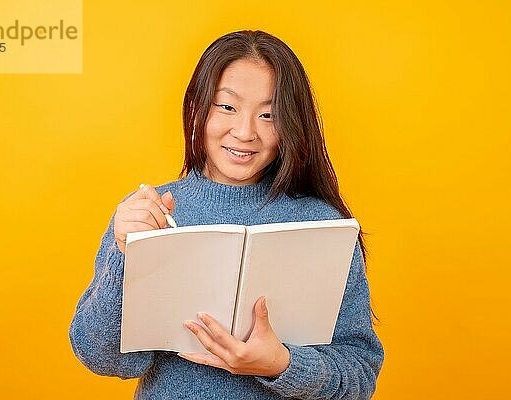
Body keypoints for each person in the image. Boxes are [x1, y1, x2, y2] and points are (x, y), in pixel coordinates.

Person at [69, 30, 384, 399]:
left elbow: (359, 377)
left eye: (269, 114)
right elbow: (100, 357)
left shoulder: (323, 225)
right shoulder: (149, 212)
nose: (245, 131)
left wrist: (282, 364)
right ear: (196, 107)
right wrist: (126, 254)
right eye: (227, 106)